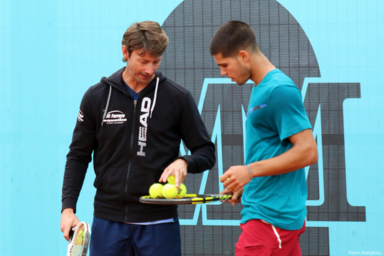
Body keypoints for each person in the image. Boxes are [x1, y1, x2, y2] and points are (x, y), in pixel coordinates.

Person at [60, 20, 215, 256]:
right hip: (108, 222)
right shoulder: (96, 97)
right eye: (143, 60)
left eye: (156, 62)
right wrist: (68, 208)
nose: (150, 69)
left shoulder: (177, 97)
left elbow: (206, 152)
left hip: (159, 224)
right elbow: (78, 156)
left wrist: (185, 161)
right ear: (125, 52)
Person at [210, 21, 318, 256]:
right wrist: (247, 186)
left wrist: (248, 171)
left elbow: (308, 151)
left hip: (270, 220)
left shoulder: (279, 90)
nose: (222, 72)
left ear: (243, 56)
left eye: (225, 65)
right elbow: (272, 150)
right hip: (269, 214)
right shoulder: (261, 88)